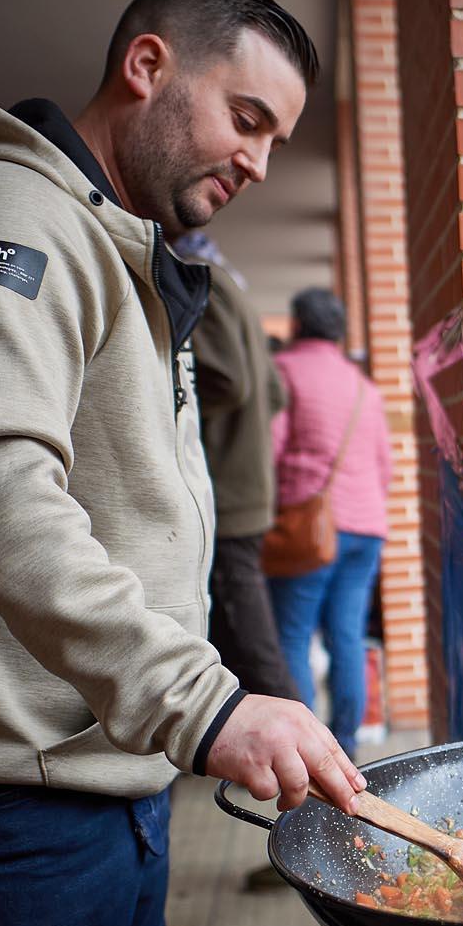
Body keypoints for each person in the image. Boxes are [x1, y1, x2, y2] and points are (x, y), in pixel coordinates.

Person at [0, 0, 364, 926]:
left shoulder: (116, 247)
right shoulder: (10, 218)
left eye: (274, 139)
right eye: (245, 117)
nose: (255, 160)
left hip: (97, 770)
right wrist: (204, 705)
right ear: (147, 66)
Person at [268, 287, 391, 760]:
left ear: (297, 325)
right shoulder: (364, 387)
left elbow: (271, 453)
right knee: (348, 635)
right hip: (366, 529)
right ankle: (347, 746)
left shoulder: (285, 371)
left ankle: (307, 754)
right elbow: (385, 466)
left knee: (294, 635)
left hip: (309, 527)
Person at [176, 230, 297, 702]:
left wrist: (165, 388)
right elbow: (274, 393)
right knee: (234, 647)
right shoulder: (234, 288)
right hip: (245, 489)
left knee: (257, 656)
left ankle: (322, 771)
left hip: (228, 494)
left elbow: (232, 382)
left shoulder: (200, 279)